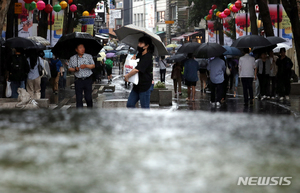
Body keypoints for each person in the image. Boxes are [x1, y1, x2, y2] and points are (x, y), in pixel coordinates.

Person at [125, 36, 154, 109]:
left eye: (141, 43)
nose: (139, 45)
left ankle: (145, 120)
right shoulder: (140, 55)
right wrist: (133, 60)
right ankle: (138, 118)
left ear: (146, 46)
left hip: (145, 86)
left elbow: (137, 69)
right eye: (139, 42)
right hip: (137, 85)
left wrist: (127, 76)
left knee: (145, 108)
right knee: (130, 104)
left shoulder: (148, 57)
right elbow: (134, 65)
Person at [68, 44, 95, 108]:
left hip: (87, 79)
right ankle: (80, 113)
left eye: (83, 47)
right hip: (78, 80)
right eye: (80, 48)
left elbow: (93, 65)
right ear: (76, 50)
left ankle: (90, 110)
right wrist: (75, 69)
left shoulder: (88, 56)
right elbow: (69, 68)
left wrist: (86, 66)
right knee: (79, 98)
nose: (82, 49)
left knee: (88, 97)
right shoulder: (73, 58)